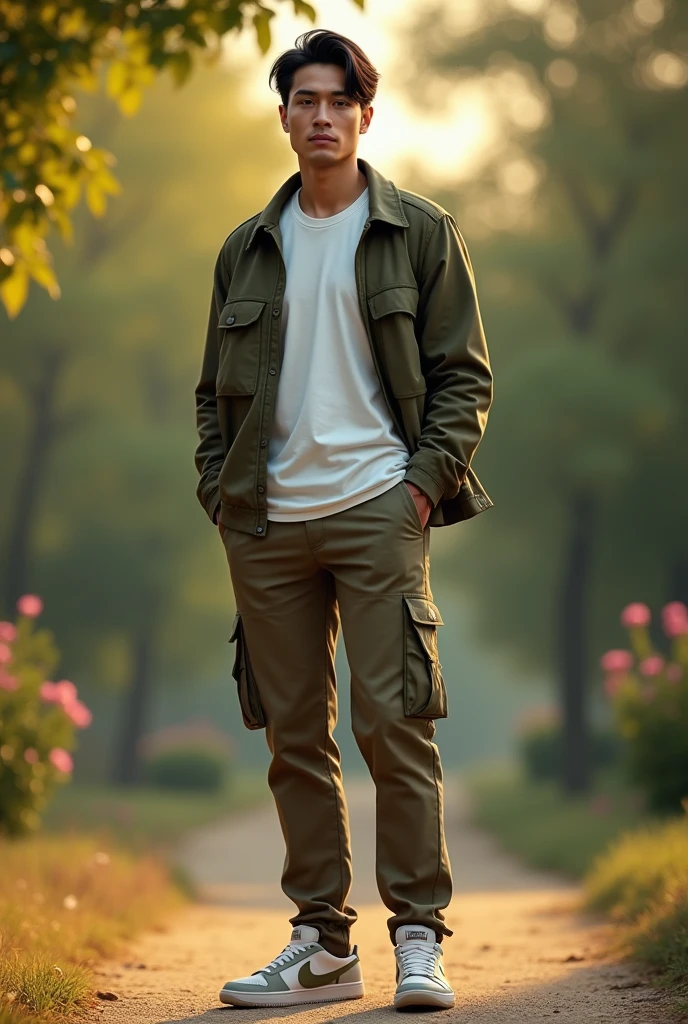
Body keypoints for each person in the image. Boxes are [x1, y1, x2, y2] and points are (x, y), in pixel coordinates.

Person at [194, 28, 493, 1012]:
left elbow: (464, 378)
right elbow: (212, 397)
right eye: (302, 100)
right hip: (267, 522)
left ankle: (417, 937)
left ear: (366, 113)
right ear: (281, 115)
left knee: (394, 721)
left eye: (338, 100)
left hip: (376, 508)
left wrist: (418, 487)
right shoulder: (246, 245)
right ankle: (322, 946)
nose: (319, 117)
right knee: (293, 738)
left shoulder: (418, 231)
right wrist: (221, 496)